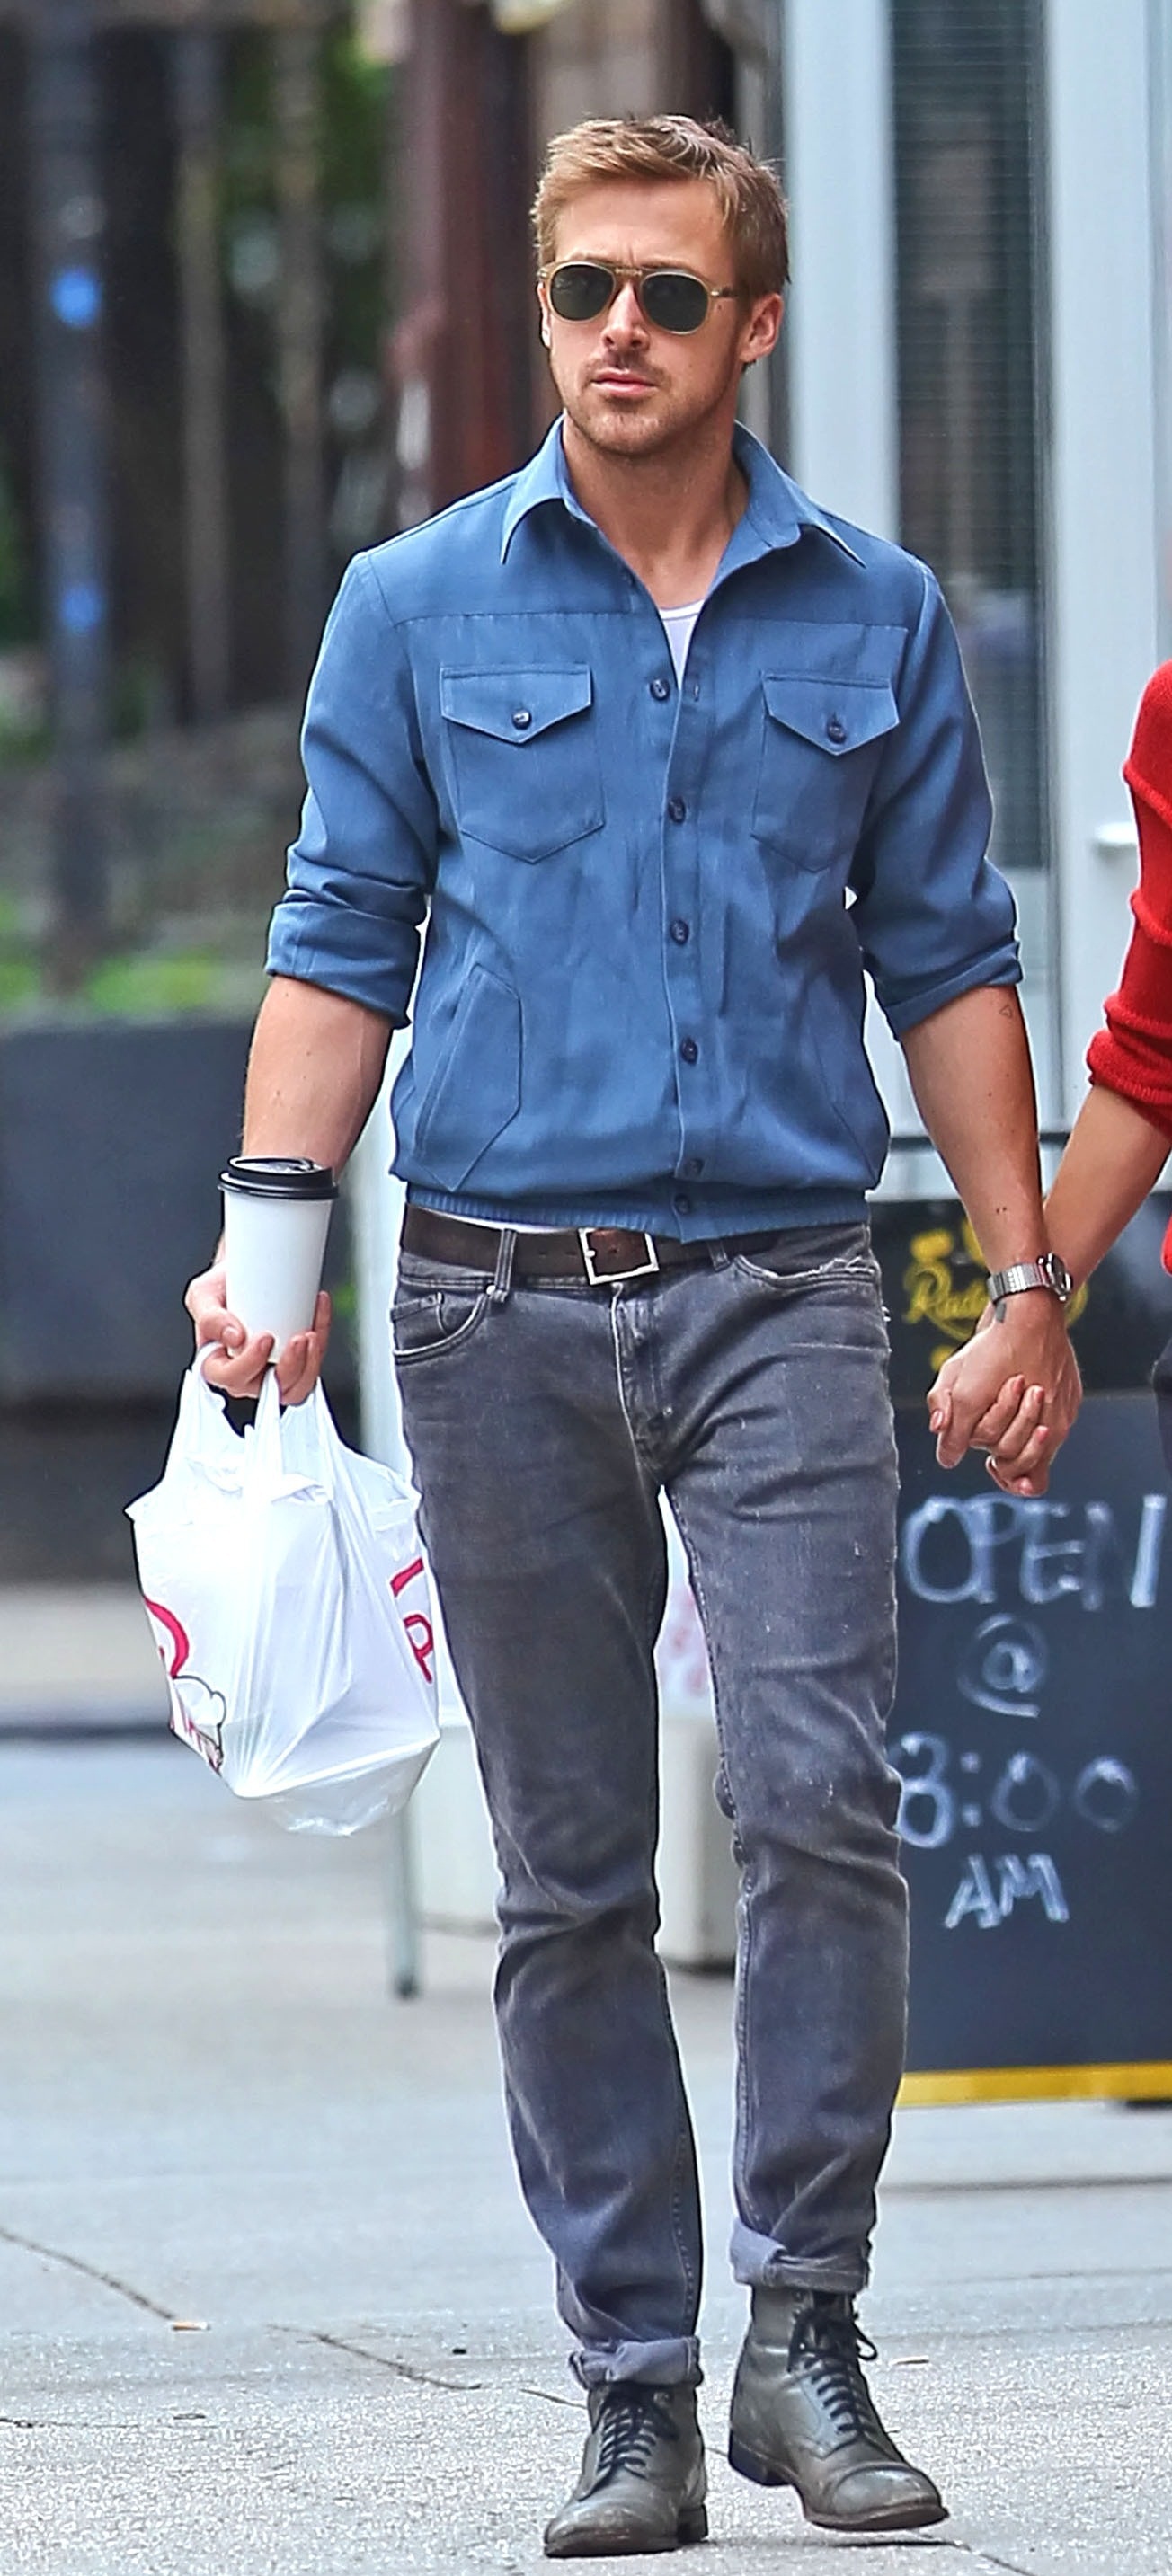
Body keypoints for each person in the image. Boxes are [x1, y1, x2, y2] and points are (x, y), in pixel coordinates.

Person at [186, 116, 1079, 2560]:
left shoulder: (875, 614)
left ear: (752, 325)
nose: (617, 330)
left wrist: (1024, 1281)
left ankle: (806, 2326)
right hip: (492, 1298)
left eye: (670, 295)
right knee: (569, 1868)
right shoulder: (413, 606)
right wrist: (270, 1265)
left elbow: (953, 964)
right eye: (585, 286)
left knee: (821, 1800)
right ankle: (629, 2385)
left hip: (786, 1284)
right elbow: (338, 937)